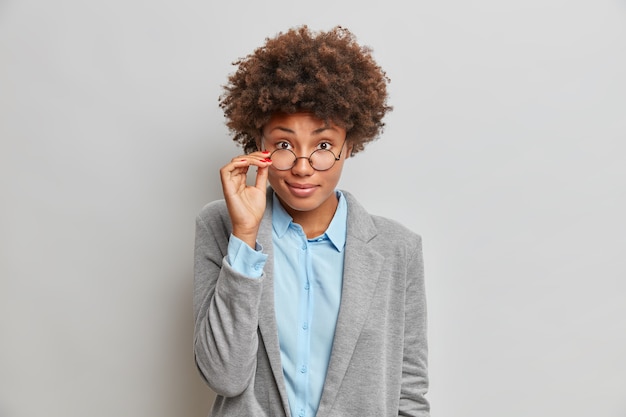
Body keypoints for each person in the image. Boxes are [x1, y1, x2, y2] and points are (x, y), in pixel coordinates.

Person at [193, 25, 429, 417]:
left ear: (348, 145)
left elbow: (409, 393)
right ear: (259, 145)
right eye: (284, 145)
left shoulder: (397, 248)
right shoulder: (220, 225)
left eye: (323, 146)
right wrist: (245, 237)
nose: (303, 167)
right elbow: (225, 377)